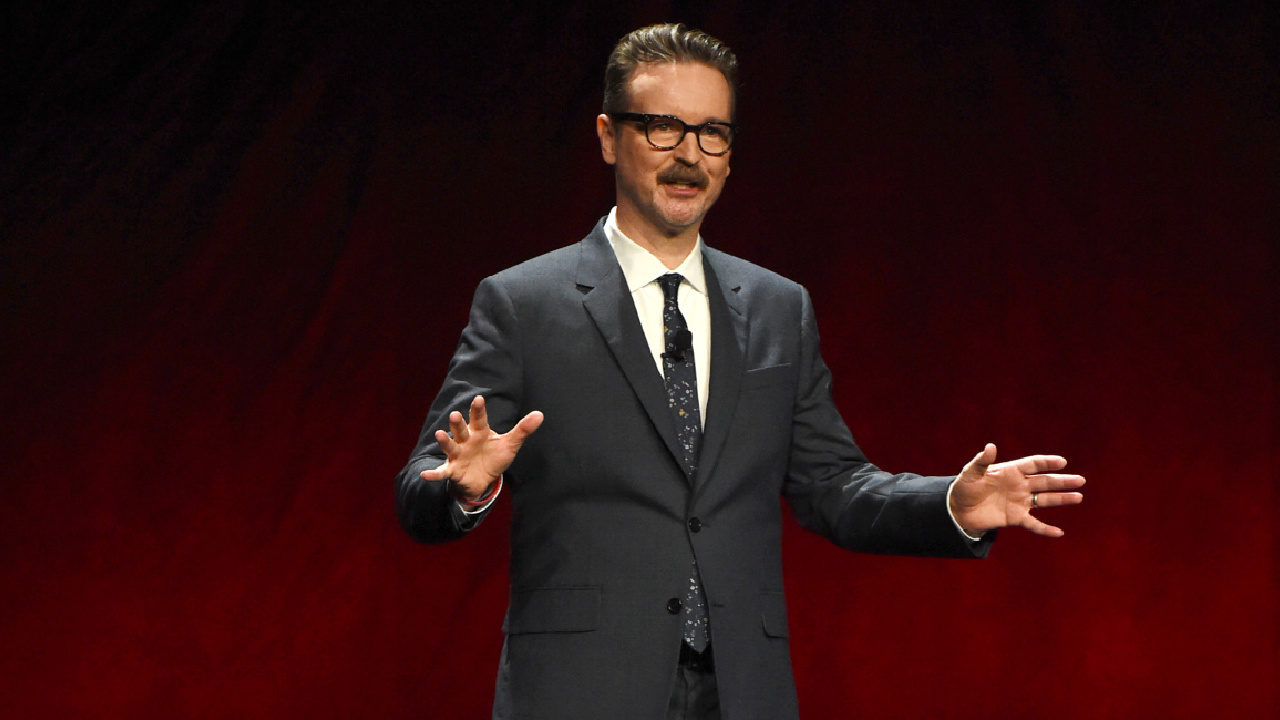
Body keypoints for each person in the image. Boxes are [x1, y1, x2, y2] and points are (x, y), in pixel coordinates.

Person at [396, 23, 1084, 720]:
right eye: (663, 128)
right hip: (580, 687)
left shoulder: (780, 307)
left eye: (712, 133)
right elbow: (419, 490)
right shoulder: (522, 304)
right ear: (608, 136)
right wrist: (462, 487)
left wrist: (949, 508)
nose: (689, 155)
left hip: (742, 690)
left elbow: (832, 486)